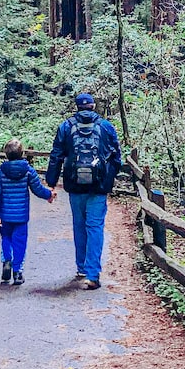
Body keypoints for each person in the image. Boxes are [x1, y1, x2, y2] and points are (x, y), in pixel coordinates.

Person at [46, 93, 122, 290]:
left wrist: (51, 182)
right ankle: (92, 274)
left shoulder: (66, 126)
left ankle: (81, 267)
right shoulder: (106, 127)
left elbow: (56, 156)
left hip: (74, 184)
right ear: (93, 106)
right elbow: (116, 157)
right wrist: (108, 178)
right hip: (98, 187)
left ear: (77, 107)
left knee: (79, 225)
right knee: (95, 226)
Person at [0, 138, 56, 285]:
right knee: (20, 242)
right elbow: (38, 189)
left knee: (6, 238)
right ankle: (18, 272)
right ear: (22, 153)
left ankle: (7, 260)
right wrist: (49, 195)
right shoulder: (28, 171)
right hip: (21, 216)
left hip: (5, 215)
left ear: (6, 154)